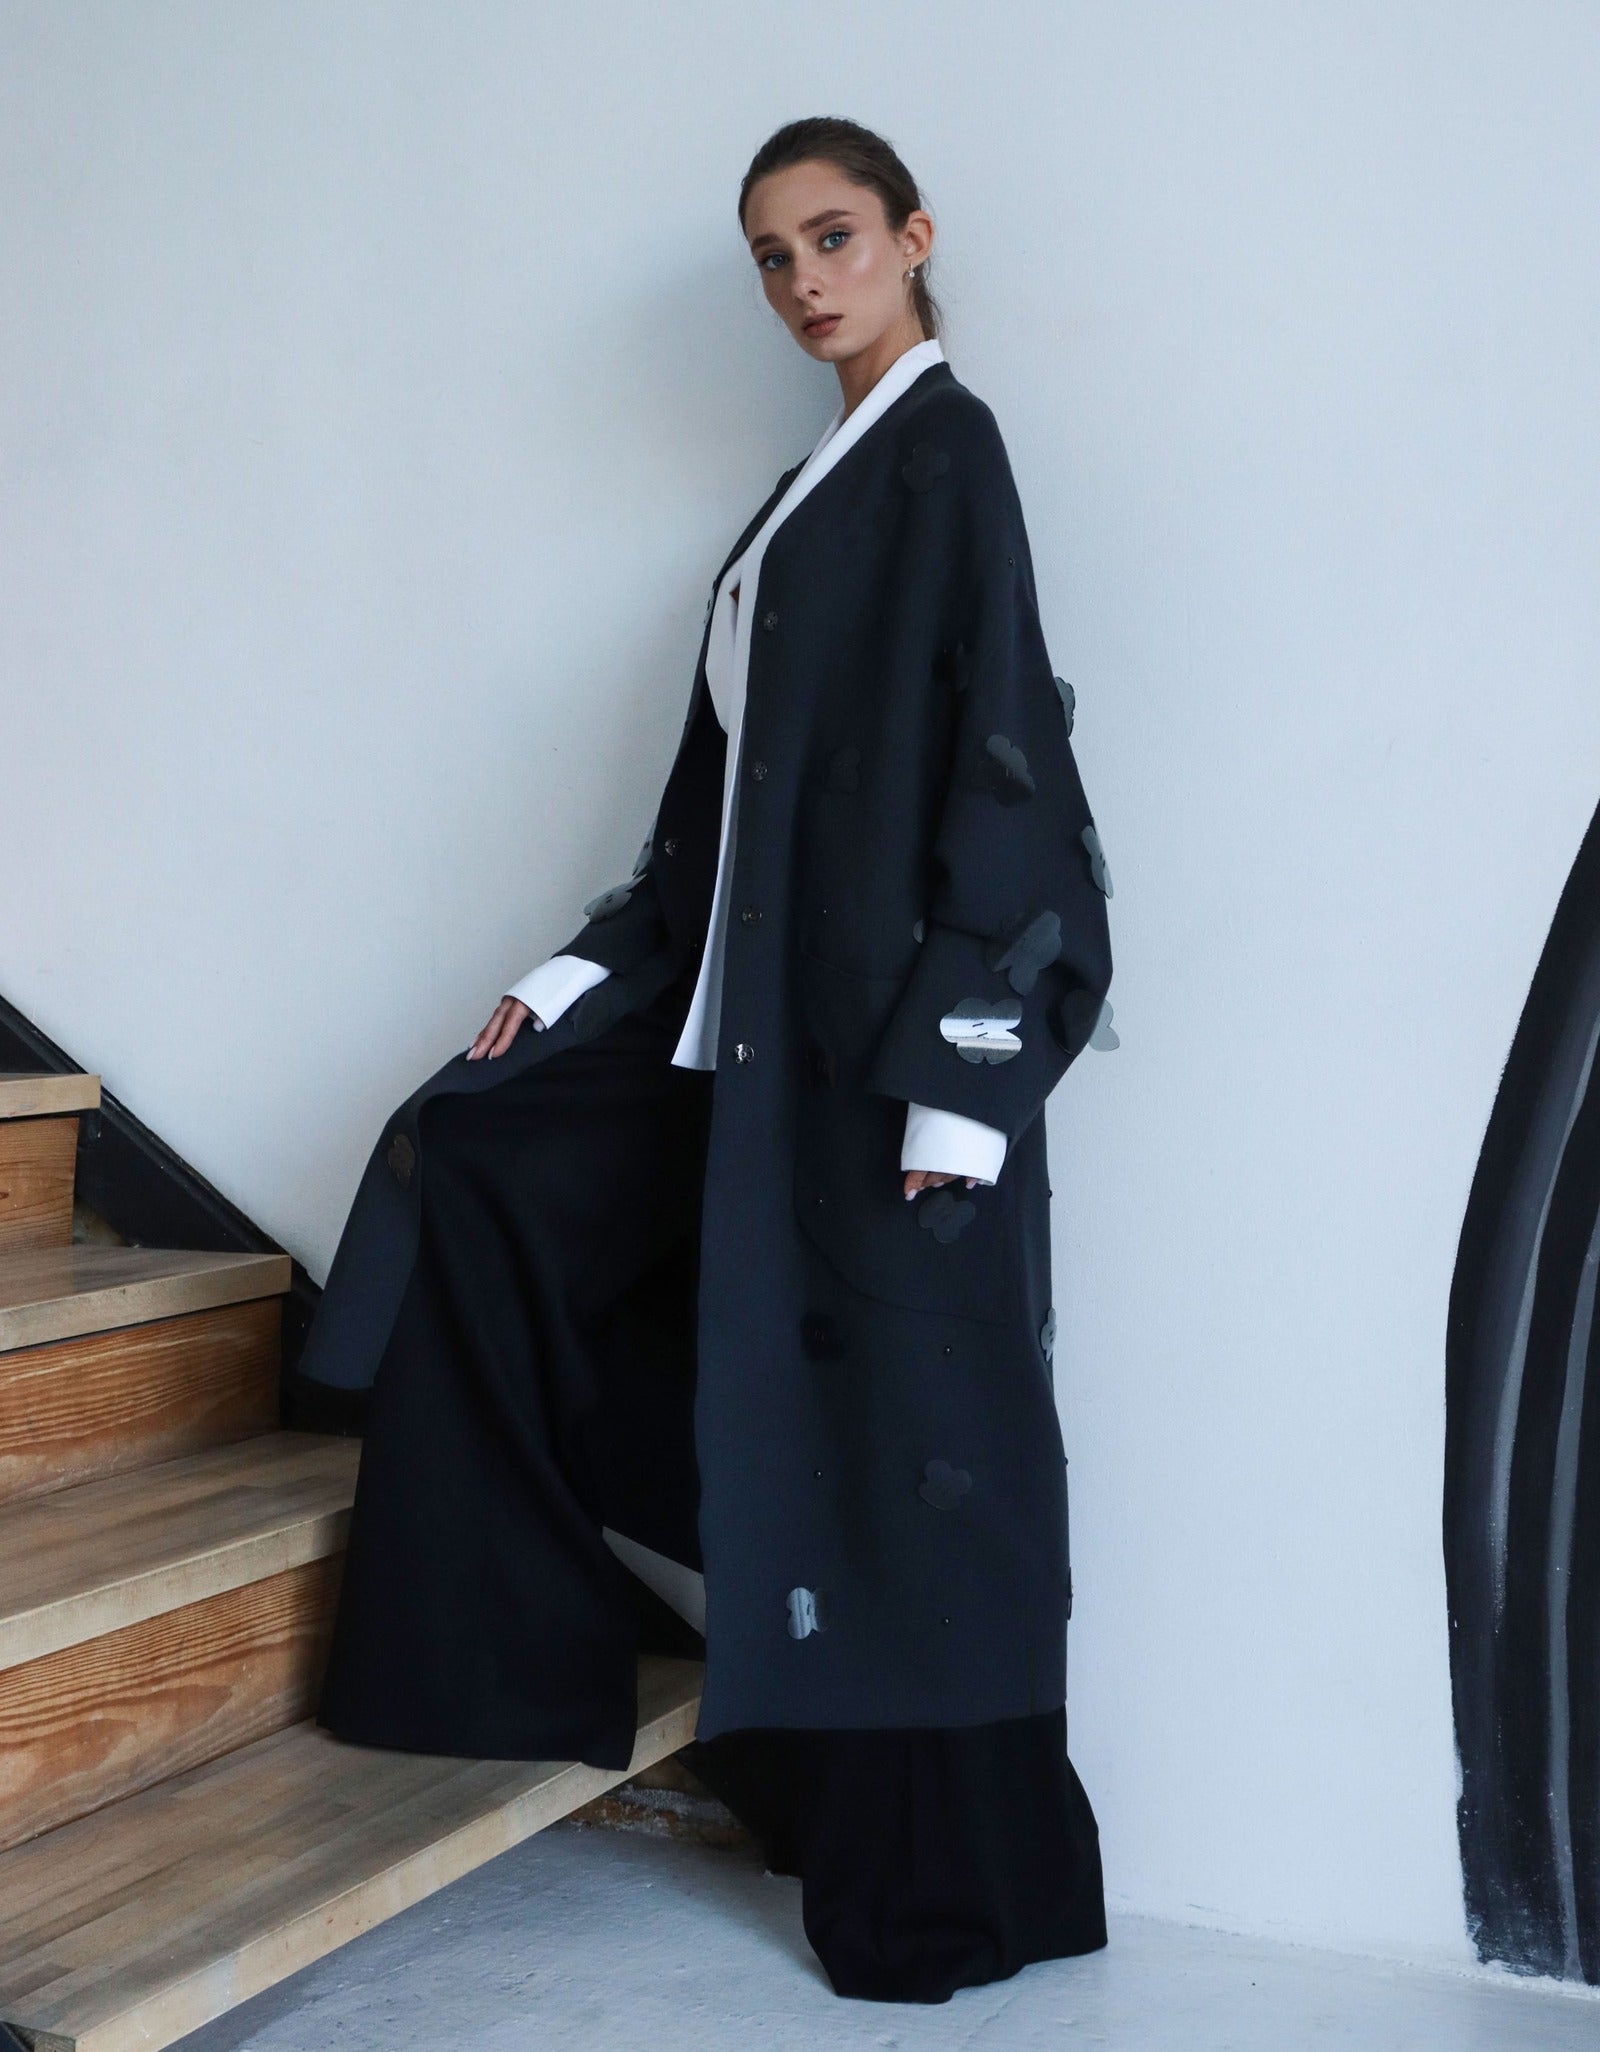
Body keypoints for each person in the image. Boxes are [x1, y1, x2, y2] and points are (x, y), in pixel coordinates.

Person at [300, 115, 1115, 2004]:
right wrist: (570, 981)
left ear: (913, 235)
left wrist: (964, 1090)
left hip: (875, 1072)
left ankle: (950, 1891)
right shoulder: (799, 499)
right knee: (478, 1162)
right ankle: (538, 1673)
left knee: (908, 1450)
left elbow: (1006, 759)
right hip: (741, 1043)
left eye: (834, 237)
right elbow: (715, 829)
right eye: (772, 255)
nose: (804, 281)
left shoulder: (945, 452)